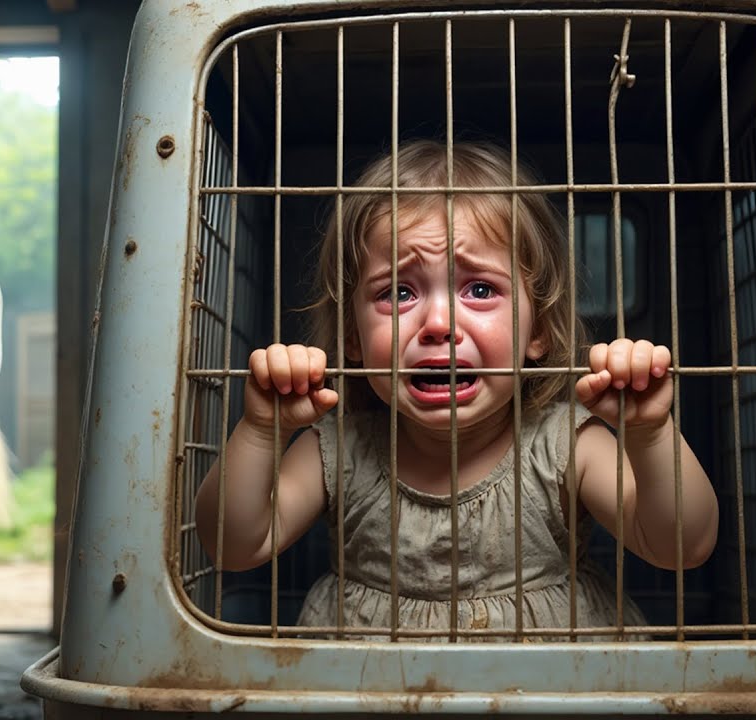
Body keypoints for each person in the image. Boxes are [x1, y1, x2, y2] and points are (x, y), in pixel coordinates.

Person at [193, 139, 719, 640]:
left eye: (480, 289)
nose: (438, 322)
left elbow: (683, 545)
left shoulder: (566, 445)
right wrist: (263, 430)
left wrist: (650, 434)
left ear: (538, 332)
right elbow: (234, 545)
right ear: (352, 337)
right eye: (397, 292)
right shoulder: (340, 446)